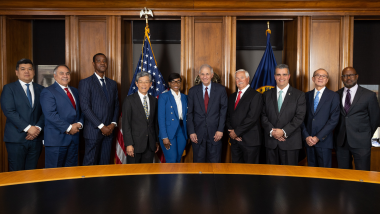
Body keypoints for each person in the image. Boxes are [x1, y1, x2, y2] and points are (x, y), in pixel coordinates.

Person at [0, 58, 44, 171]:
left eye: (30, 69)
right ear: (17, 72)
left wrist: (37, 128)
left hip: (36, 139)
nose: (26, 72)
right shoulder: (9, 88)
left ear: (34, 72)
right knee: (16, 172)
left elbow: (45, 112)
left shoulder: (41, 89)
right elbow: (9, 111)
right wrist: (28, 128)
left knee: (32, 172)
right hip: (16, 139)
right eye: (23, 69)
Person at [335, 67, 380, 171]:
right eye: (345, 76)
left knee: (362, 173)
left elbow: (375, 119)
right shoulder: (336, 94)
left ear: (357, 76)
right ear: (342, 78)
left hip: (361, 142)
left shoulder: (369, 95)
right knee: (343, 174)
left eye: (351, 75)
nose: (348, 78)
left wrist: (365, 134)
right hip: (341, 141)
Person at [78, 53, 119, 165]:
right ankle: (88, 184)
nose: (102, 63)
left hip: (109, 131)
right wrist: (101, 126)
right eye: (99, 61)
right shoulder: (85, 83)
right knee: (90, 164)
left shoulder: (113, 84)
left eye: (104, 61)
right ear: (93, 64)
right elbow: (85, 108)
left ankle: (103, 183)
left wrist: (113, 124)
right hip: (93, 131)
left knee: (105, 163)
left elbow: (116, 105)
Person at [261, 64, 306, 165]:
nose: (281, 77)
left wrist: (284, 131)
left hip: (290, 142)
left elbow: (299, 117)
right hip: (271, 142)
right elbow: (263, 115)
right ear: (274, 76)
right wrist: (273, 132)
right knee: (271, 177)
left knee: (289, 177)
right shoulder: (266, 95)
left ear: (289, 76)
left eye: (284, 74)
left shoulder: (299, 95)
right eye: (278, 74)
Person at [40, 65, 83, 168]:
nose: (65, 76)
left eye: (67, 73)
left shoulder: (75, 91)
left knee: (71, 174)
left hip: (74, 139)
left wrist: (79, 124)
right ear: (55, 76)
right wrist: (69, 128)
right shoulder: (48, 91)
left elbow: (81, 111)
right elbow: (50, 115)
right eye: (61, 73)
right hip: (56, 140)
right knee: (54, 174)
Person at [187, 64, 228, 163]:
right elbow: (189, 113)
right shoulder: (192, 91)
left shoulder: (221, 90)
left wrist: (220, 130)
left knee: (215, 164)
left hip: (215, 134)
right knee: (198, 164)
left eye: (207, 74)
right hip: (197, 134)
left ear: (212, 75)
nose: (205, 76)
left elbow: (224, 111)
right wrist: (191, 131)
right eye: (202, 74)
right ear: (199, 75)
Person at [301, 68, 340, 167]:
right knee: (311, 171)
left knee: (324, 173)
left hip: (324, 141)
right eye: (318, 75)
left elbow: (333, 120)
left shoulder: (333, 96)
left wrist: (317, 137)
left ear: (327, 80)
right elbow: (300, 118)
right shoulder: (306, 96)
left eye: (324, 76)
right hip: (308, 141)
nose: (320, 78)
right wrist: (306, 136)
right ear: (313, 79)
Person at [226, 69, 263, 163]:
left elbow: (252, 118)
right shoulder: (232, 96)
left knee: (250, 173)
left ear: (248, 79)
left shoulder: (256, 95)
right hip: (235, 140)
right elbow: (228, 116)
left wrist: (237, 132)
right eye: (237, 78)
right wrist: (231, 132)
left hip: (250, 140)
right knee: (236, 171)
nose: (239, 80)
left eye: (242, 77)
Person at [122, 71, 159, 163]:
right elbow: (126, 124)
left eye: (146, 82)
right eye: (141, 81)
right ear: (136, 83)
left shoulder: (154, 100)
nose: (144, 84)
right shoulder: (129, 100)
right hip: (134, 145)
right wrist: (129, 144)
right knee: (133, 174)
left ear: (150, 84)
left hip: (150, 145)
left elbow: (155, 123)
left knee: (147, 174)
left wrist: (156, 141)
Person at [158, 73, 188, 163]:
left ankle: (176, 178)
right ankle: (170, 177)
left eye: (178, 82)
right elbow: (161, 118)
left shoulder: (185, 97)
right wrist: (164, 137)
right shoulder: (164, 97)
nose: (176, 84)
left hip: (182, 131)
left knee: (178, 159)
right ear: (169, 83)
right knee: (171, 160)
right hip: (168, 132)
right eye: (173, 82)